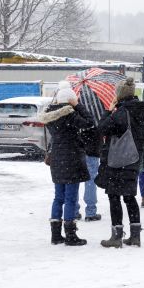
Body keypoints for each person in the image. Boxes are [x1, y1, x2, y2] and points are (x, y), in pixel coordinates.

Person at [96, 77, 144, 248]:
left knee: (114, 197)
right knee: (129, 197)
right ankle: (135, 236)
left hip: (118, 160)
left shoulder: (121, 113)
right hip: (134, 159)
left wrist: (108, 111)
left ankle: (116, 236)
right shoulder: (141, 110)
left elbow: (102, 129)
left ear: (119, 95)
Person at [40, 81, 94, 246]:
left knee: (58, 197)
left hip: (57, 158)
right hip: (71, 158)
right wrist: (77, 105)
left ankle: (55, 235)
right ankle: (70, 234)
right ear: (70, 100)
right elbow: (89, 122)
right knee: (71, 198)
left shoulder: (50, 116)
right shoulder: (70, 115)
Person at [75, 111, 102, 222]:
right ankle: (90, 212)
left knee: (74, 180)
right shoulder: (99, 107)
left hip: (77, 149)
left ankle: (74, 211)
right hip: (92, 149)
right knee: (90, 180)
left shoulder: (75, 108)